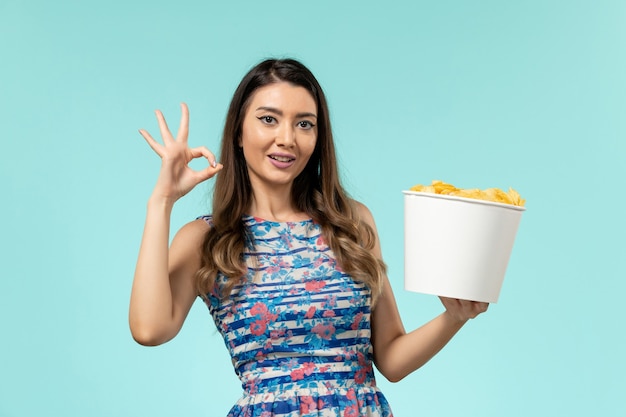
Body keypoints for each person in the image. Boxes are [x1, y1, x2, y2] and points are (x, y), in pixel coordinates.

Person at [129, 58, 489, 416]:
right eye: (268, 119)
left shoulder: (352, 223)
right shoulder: (207, 238)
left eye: (304, 124)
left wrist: (455, 317)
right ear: (239, 132)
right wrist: (161, 201)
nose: (286, 139)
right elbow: (149, 329)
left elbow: (392, 358)